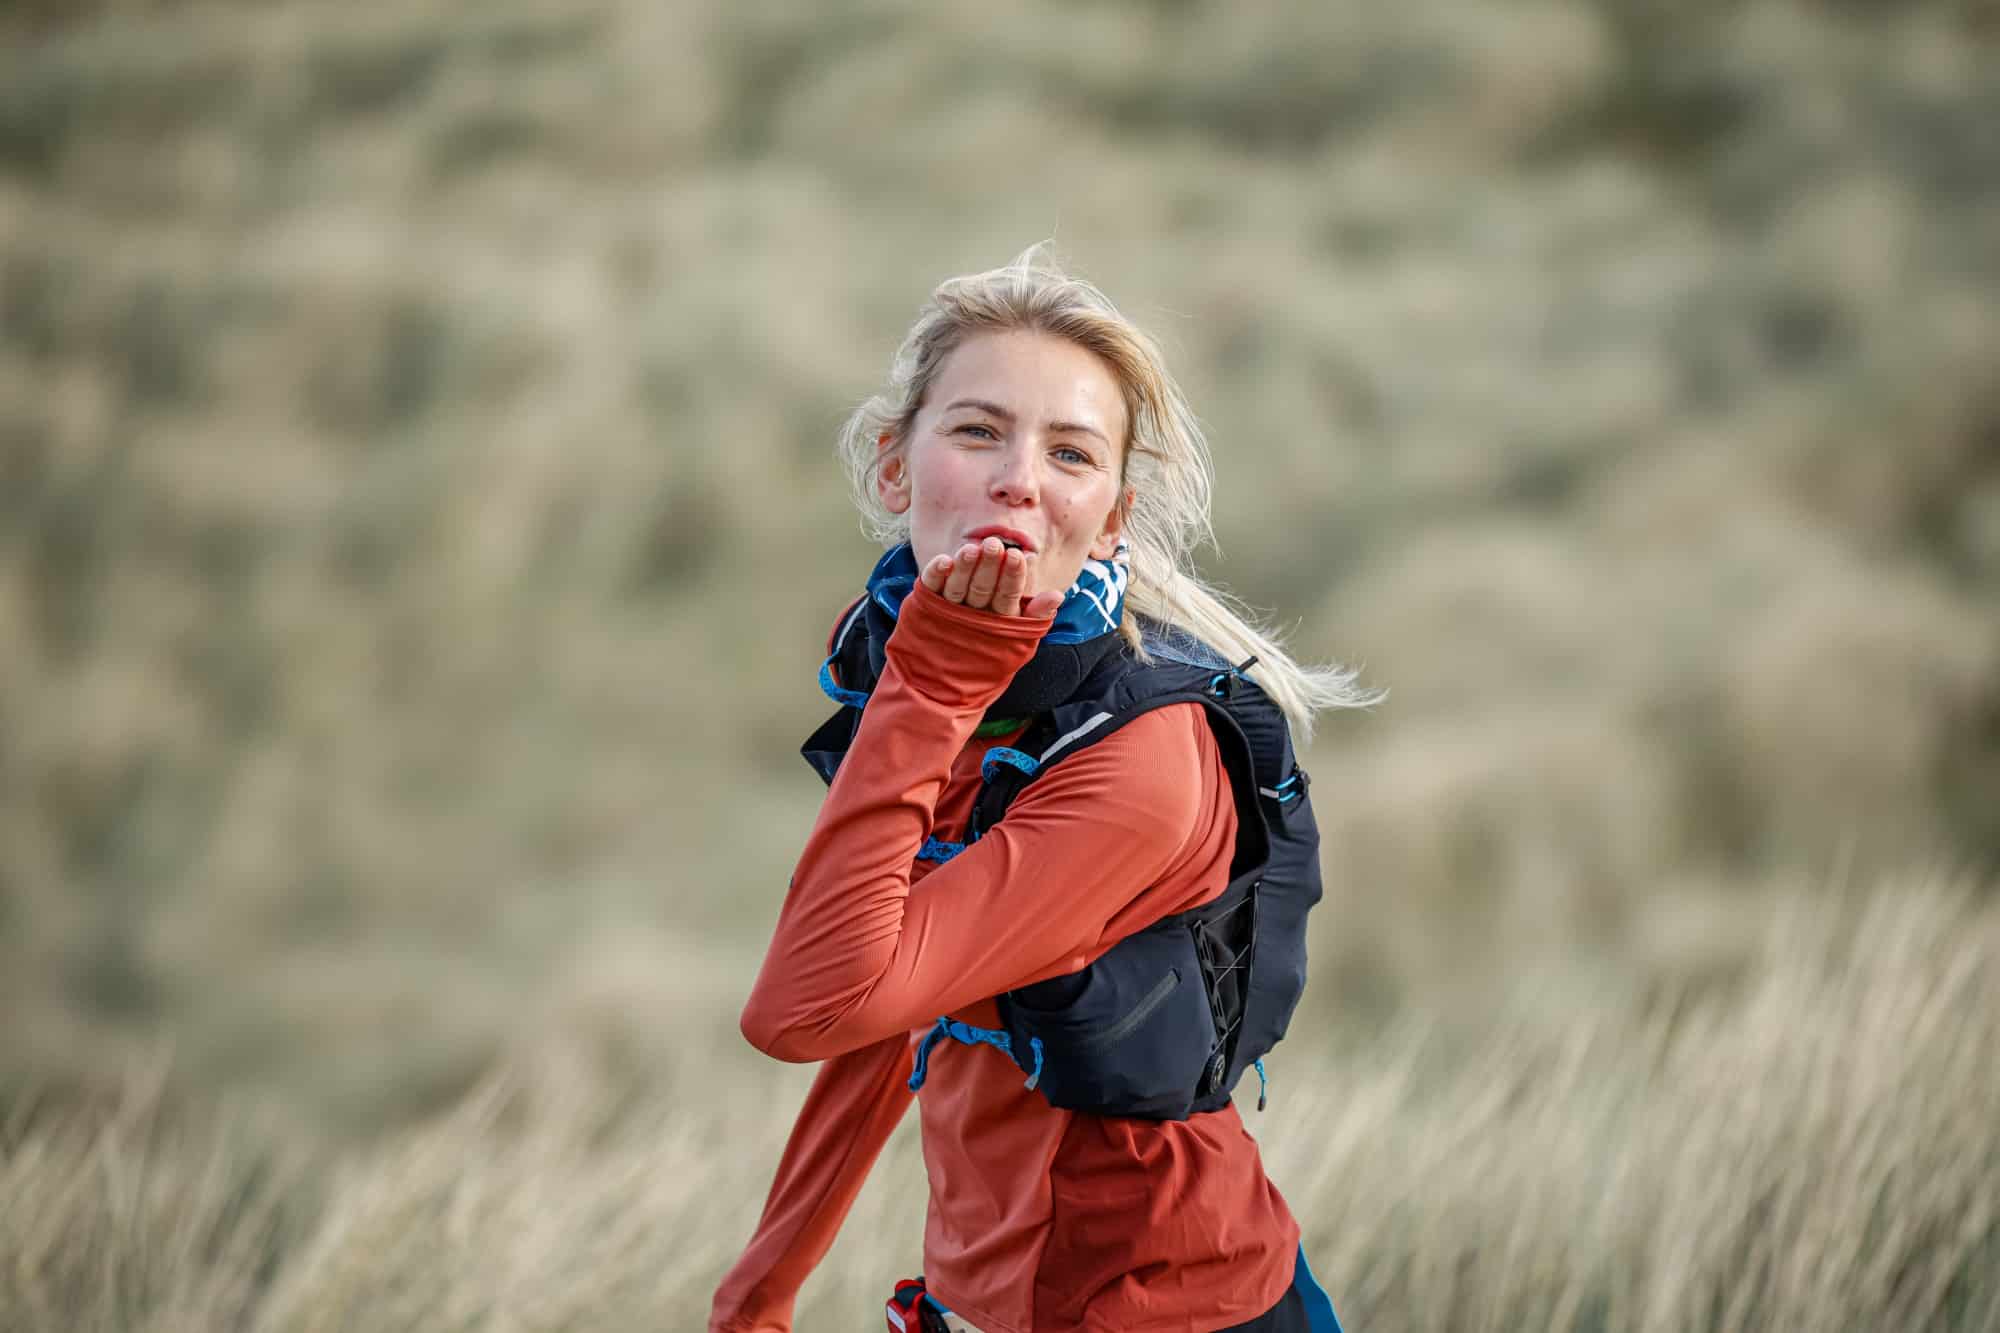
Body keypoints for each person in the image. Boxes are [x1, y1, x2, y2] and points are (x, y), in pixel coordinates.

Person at [709, 246, 1371, 1333]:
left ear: (1109, 515)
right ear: (893, 466)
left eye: (1070, 451)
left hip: (1173, 1311)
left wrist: (929, 680)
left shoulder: (1139, 762)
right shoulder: (957, 688)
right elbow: (892, 1013)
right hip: (980, 1303)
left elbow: (807, 1008)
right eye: (977, 431)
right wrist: (760, 1293)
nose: (1019, 475)